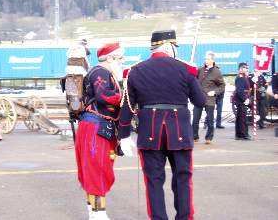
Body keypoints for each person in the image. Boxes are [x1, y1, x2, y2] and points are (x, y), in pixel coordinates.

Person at [118, 30, 206, 220]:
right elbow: (200, 100)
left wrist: (123, 134)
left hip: (150, 130)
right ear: (169, 47)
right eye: (175, 47)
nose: (176, 51)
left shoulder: (135, 70)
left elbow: (127, 106)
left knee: (154, 181)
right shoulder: (186, 69)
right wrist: (194, 77)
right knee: (183, 178)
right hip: (180, 130)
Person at [74, 42, 124, 220]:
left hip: (96, 126)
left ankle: (93, 211)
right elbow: (104, 97)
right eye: (120, 58)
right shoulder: (101, 72)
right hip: (96, 127)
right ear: (110, 58)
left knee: (94, 168)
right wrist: (126, 98)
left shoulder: (99, 71)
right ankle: (98, 214)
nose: (122, 61)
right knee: (98, 169)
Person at [192, 52, 225, 144]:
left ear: (212, 60)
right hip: (199, 98)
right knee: (195, 119)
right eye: (205, 59)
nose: (206, 61)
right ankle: (194, 136)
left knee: (210, 120)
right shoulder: (200, 70)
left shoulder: (217, 72)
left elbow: (222, 86)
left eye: (208, 59)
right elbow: (193, 79)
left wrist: (214, 92)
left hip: (210, 99)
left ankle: (209, 138)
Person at [234, 62, 252, 140]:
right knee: (243, 118)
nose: (246, 69)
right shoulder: (241, 77)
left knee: (239, 118)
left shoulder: (243, 77)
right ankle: (244, 134)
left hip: (241, 100)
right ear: (241, 68)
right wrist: (245, 99)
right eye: (245, 68)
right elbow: (240, 91)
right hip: (241, 100)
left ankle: (238, 134)